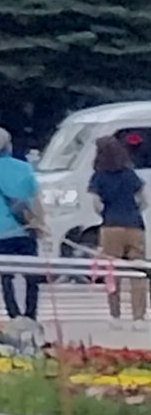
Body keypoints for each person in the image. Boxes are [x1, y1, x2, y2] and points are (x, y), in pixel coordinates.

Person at [0, 124, 42, 325]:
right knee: (31, 274)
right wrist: (40, 222)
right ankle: (30, 314)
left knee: (6, 276)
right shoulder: (24, 167)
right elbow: (35, 199)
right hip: (25, 228)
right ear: (8, 144)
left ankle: (13, 315)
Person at [95, 130, 148, 321]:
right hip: (134, 225)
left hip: (111, 226)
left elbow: (97, 205)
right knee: (138, 272)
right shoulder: (130, 174)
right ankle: (139, 315)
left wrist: (106, 211)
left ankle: (115, 314)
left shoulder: (99, 176)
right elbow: (143, 200)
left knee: (112, 272)